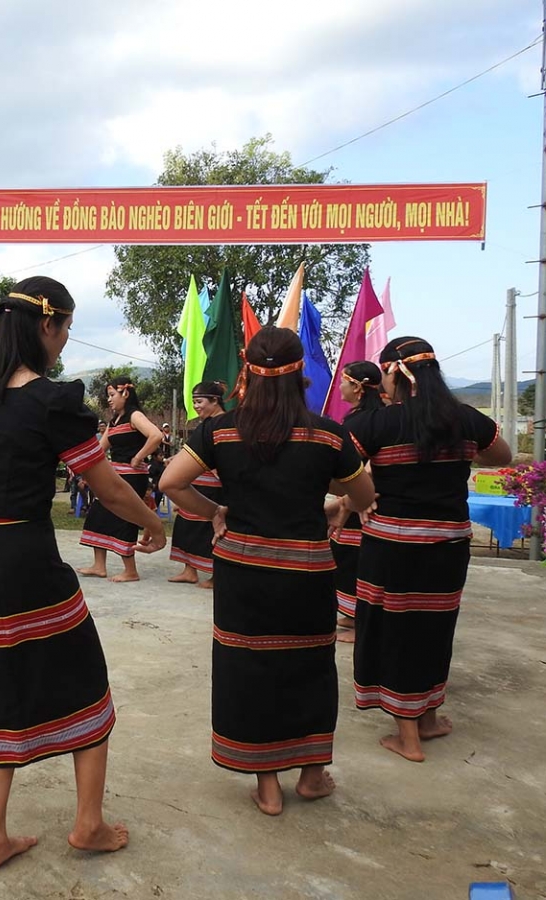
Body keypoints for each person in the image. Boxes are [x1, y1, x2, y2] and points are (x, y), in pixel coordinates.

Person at [0, 276, 167, 874]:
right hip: (27, 560)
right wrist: (155, 524)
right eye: (66, 328)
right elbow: (109, 487)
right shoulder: (53, 402)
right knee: (85, 683)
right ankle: (88, 824)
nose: (66, 339)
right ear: (46, 325)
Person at [161, 326, 375, 816]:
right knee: (309, 667)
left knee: (249, 668)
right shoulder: (328, 433)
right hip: (307, 570)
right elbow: (363, 498)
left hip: (243, 571)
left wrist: (214, 511)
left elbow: (172, 482)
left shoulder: (221, 430)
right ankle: (312, 775)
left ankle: (267, 784)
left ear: (246, 370)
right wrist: (336, 504)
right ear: (301, 370)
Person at [347, 337, 510, 763]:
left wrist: (361, 498)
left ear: (395, 372)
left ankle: (407, 737)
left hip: (390, 547)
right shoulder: (466, 419)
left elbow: (340, 473)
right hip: (449, 546)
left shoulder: (377, 425)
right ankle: (429, 719)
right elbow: (502, 456)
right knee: (435, 630)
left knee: (392, 632)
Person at [78, 377, 163, 582]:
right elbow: (100, 449)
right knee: (97, 515)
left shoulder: (135, 416)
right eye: (108, 395)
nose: (109, 399)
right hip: (115, 476)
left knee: (126, 519)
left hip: (133, 477)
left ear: (125, 394)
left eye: (112, 395)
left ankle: (130, 570)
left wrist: (139, 456)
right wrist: (83, 467)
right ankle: (99, 566)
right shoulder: (114, 421)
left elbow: (156, 435)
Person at [325, 361, 384, 643]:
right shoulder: (375, 416)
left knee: (355, 561)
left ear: (358, 388)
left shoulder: (360, 422)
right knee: (347, 557)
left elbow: (357, 468)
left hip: (363, 501)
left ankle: (361, 622)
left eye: (344, 382)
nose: (340, 387)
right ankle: (351, 614)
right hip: (358, 499)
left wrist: (348, 500)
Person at [167, 381, 227, 589]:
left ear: (215, 401)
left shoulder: (223, 424)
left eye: (200, 401)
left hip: (214, 488)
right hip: (195, 486)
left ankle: (216, 575)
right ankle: (189, 570)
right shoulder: (206, 425)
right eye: (194, 402)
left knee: (210, 530)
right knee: (186, 526)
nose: (196, 406)